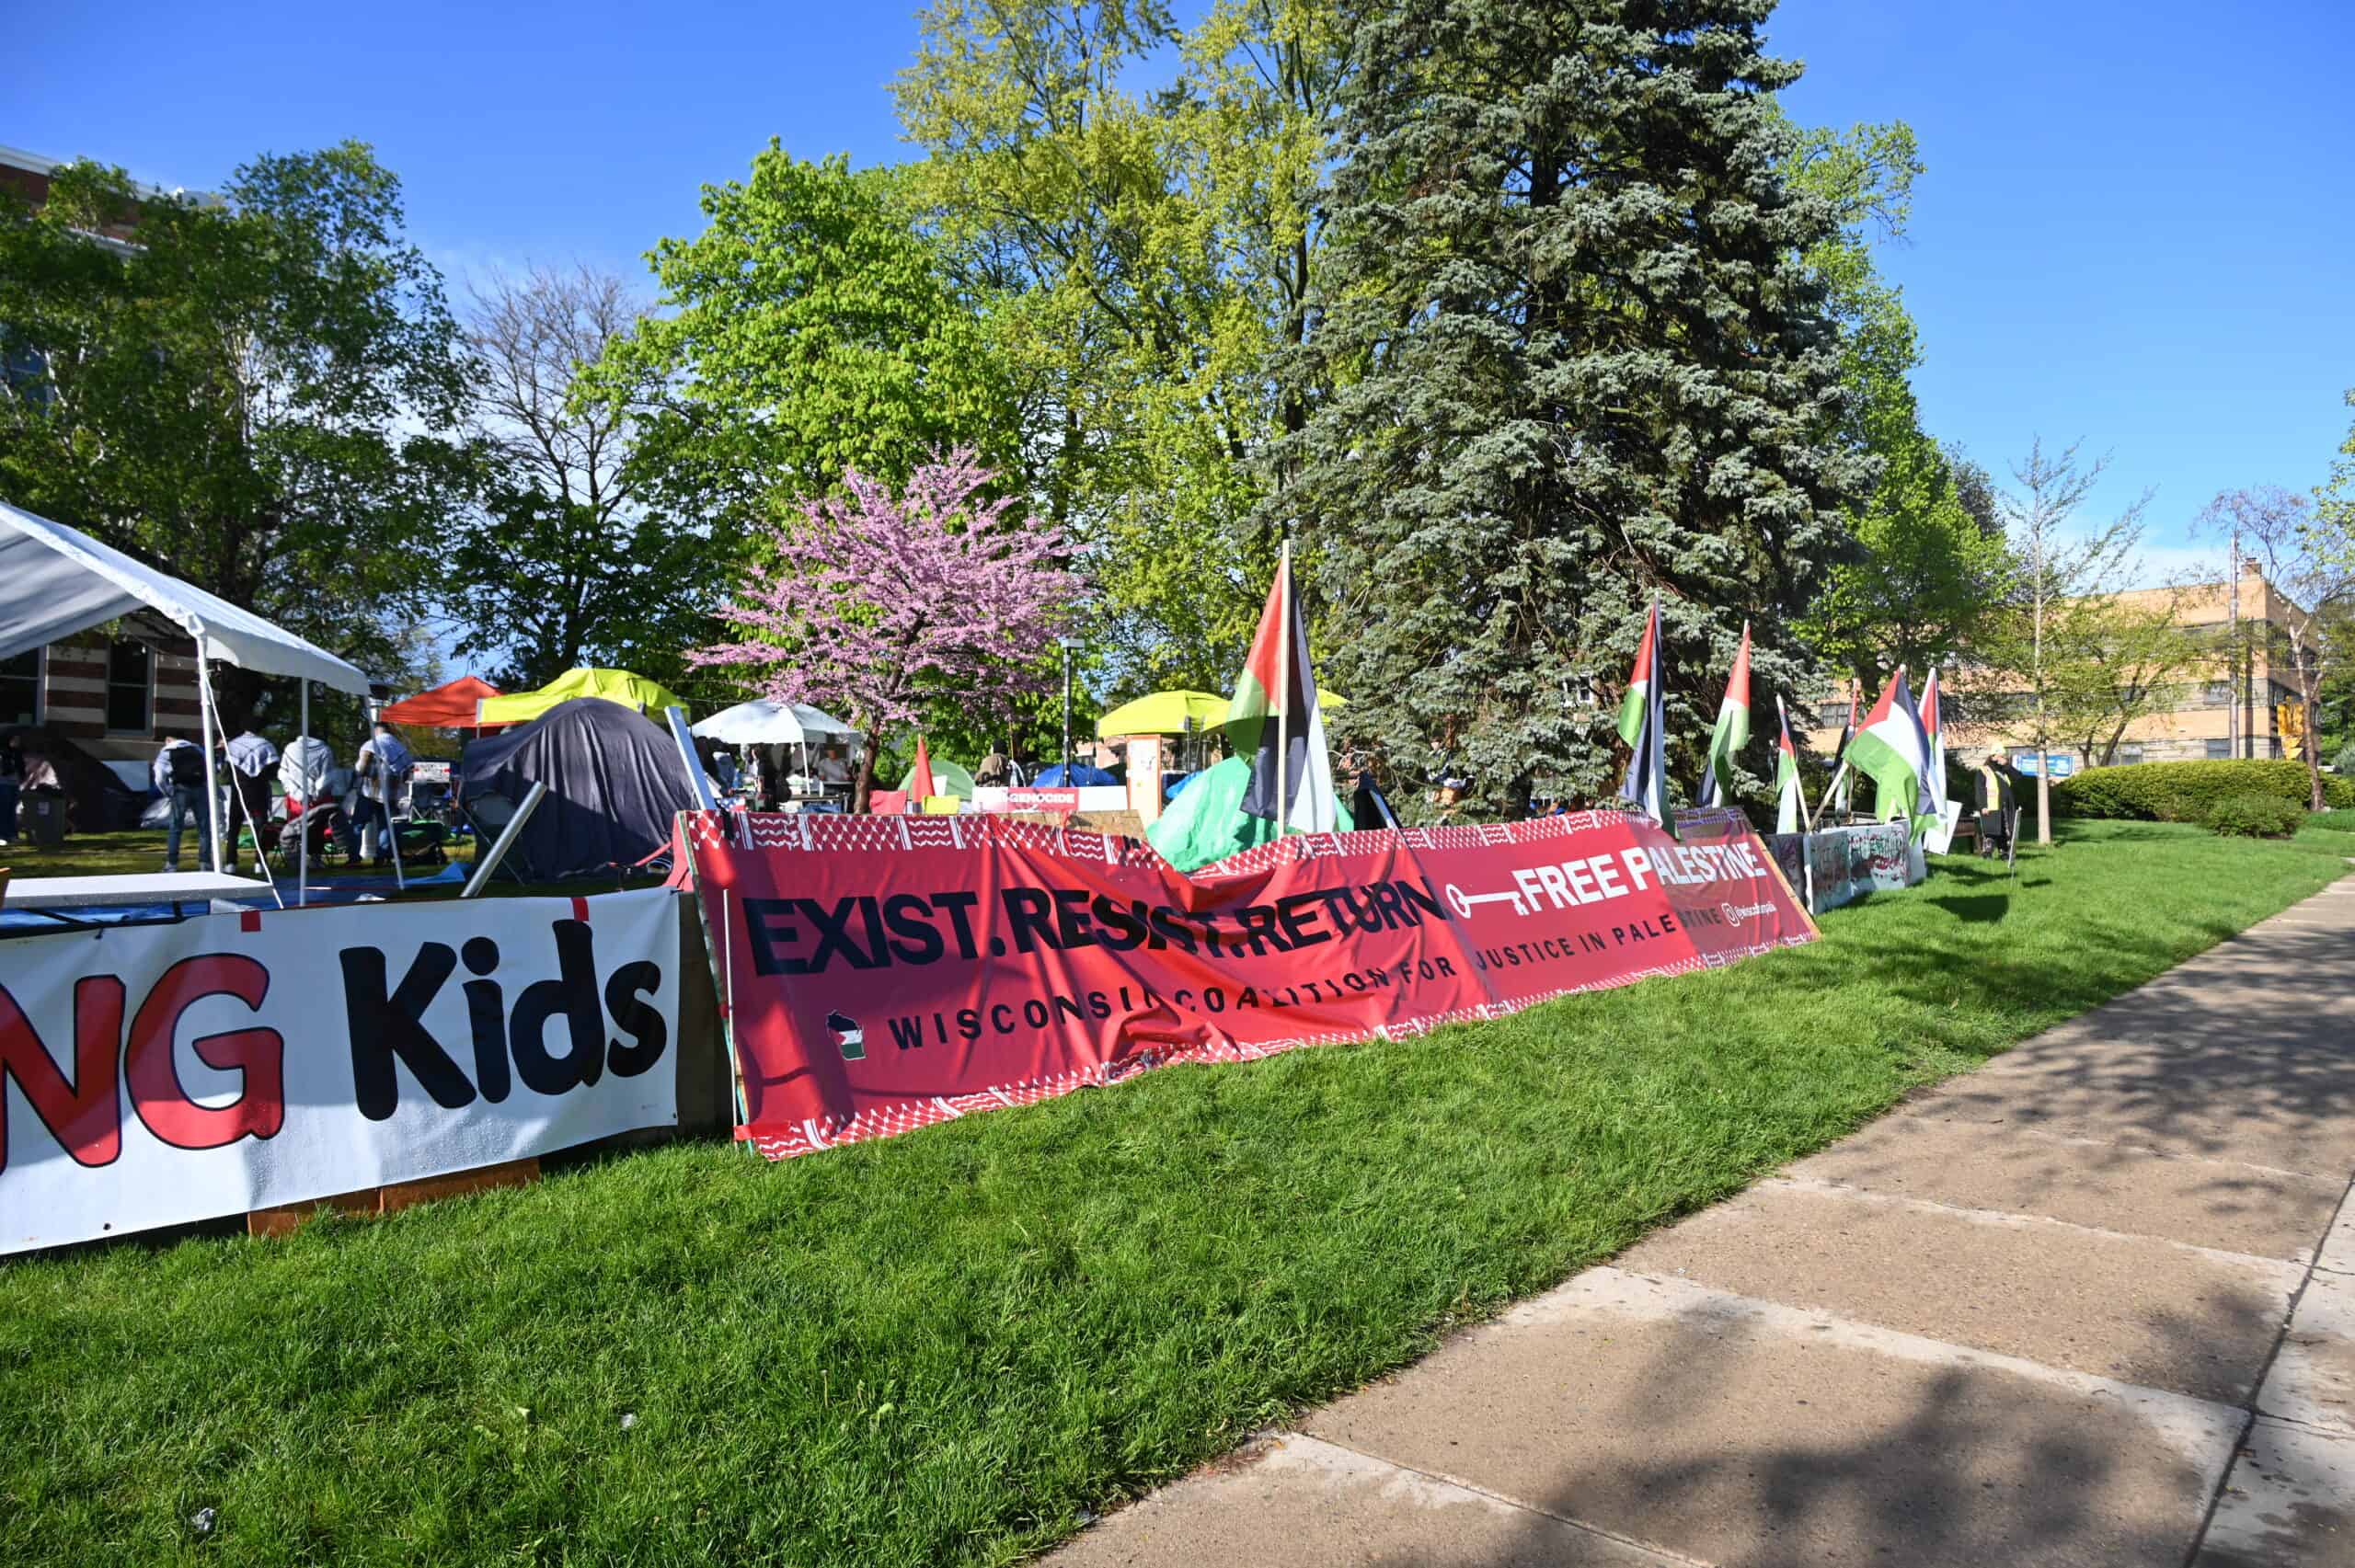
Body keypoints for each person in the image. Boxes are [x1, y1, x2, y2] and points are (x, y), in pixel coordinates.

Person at [350, 722, 412, 866]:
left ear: (376, 731)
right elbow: (406, 772)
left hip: (369, 791)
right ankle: (381, 857)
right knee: (384, 826)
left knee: (358, 825)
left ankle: (354, 858)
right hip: (390, 793)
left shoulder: (371, 744)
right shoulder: (400, 747)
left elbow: (362, 768)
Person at [225, 728, 280, 874]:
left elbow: (227, 768)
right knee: (260, 826)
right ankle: (259, 863)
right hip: (259, 790)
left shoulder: (233, 745)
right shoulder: (266, 744)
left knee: (234, 827)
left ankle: (231, 862)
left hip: (239, 789)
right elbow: (273, 768)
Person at [155, 734, 212, 871]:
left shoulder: (167, 751)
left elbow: (159, 776)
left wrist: (167, 791)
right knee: (204, 828)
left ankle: (172, 864)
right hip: (200, 789)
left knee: (176, 828)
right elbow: (209, 769)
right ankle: (205, 863)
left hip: (180, 790)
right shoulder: (198, 749)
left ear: (169, 739)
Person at [1973, 750, 2017, 859]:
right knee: (1991, 830)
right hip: (1991, 805)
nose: (2002, 758)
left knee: (2005, 829)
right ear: (1993, 756)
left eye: (2004, 756)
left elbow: (2018, 777)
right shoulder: (1984, 770)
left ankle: (2004, 852)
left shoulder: (2004, 770)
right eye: (2000, 756)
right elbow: (1980, 789)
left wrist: (2007, 765)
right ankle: (1987, 852)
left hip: (2005, 806)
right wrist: (1983, 805)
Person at [0, 732, 20, 846]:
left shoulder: (16, 753)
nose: (18, 742)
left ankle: (11, 835)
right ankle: (2, 835)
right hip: (4, 784)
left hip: (14, 784)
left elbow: (20, 768)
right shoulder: (3, 753)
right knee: (4, 810)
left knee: (12, 811)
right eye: (15, 739)